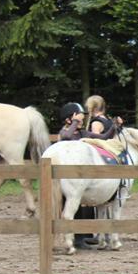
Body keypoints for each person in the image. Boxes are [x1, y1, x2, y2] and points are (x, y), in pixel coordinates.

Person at [57, 102, 99, 249]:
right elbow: (67, 137)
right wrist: (75, 121)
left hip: (79, 177)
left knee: (82, 208)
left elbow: (103, 137)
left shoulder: (82, 133)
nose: (81, 120)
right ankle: (70, 236)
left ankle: (81, 237)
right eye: (78, 118)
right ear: (69, 119)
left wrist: (114, 127)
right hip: (65, 177)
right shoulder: (64, 132)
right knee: (68, 207)